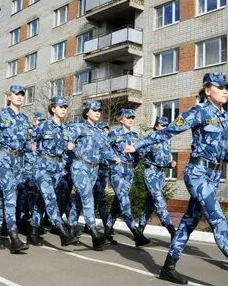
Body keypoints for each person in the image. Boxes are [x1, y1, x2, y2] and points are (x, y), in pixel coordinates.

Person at [124, 73, 228, 286]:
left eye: (227, 87)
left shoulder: (225, 118)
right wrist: (138, 146)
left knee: (188, 223)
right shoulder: (199, 112)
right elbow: (168, 131)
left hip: (213, 175)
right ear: (208, 90)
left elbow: (222, 147)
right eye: (221, 87)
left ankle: (168, 267)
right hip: (197, 173)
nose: (226, 90)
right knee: (218, 219)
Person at [0, 85, 34, 253]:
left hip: (18, 160)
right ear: (9, 97)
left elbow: (28, 144)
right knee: (10, 195)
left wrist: (31, 155)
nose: (20, 97)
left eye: (22, 94)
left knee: (3, 198)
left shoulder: (26, 119)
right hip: (3, 157)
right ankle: (14, 237)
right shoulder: (0, 115)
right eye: (16, 94)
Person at [66, 100, 121, 250]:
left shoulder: (99, 132)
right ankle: (94, 235)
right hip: (80, 166)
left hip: (94, 169)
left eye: (99, 110)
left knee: (79, 198)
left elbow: (105, 150)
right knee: (88, 197)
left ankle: (70, 230)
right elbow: (66, 141)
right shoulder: (78, 127)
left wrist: (113, 157)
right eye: (95, 110)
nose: (98, 112)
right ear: (87, 112)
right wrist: (69, 146)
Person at [32, 96, 78, 247]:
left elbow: (66, 153)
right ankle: (63, 232)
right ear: (53, 109)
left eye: (65, 107)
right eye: (61, 107)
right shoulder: (43, 126)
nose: (64, 109)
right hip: (43, 168)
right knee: (50, 198)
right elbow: (30, 143)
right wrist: (35, 161)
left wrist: (68, 151)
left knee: (40, 201)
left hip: (57, 170)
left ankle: (33, 232)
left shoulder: (66, 130)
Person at [105, 108, 150, 247]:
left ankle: (106, 234)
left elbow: (139, 153)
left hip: (129, 172)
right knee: (124, 200)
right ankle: (136, 233)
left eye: (132, 117)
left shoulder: (135, 135)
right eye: (128, 117)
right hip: (118, 171)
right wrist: (113, 157)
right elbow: (104, 148)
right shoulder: (114, 133)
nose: (131, 119)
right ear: (121, 119)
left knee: (117, 204)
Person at [138, 116, 176, 239]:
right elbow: (140, 153)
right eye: (162, 125)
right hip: (150, 172)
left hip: (160, 174)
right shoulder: (151, 138)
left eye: (166, 125)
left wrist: (170, 164)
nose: (164, 127)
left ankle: (139, 230)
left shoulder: (167, 140)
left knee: (150, 203)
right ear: (156, 126)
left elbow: (165, 158)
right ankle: (172, 231)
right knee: (159, 200)